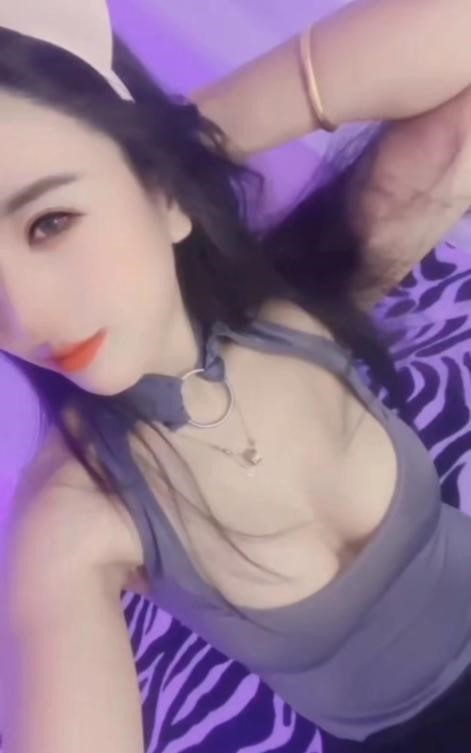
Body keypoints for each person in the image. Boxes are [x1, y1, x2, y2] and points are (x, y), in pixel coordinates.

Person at [1, 1, 471, 752]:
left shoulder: (297, 307)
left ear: (161, 193)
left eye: (50, 222)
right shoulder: (73, 518)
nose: (23, 315)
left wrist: (180, 148)